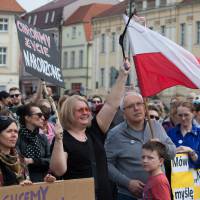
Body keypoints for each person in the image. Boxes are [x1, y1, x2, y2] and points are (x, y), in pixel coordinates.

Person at [50, 60, 130, 200]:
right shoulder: (63, 139)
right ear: (69, 113)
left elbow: (111, 104)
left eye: (87, 109)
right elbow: (58, 170)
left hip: (105, 195)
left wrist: (122, 75)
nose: (86, 113)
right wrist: (57, 139)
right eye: (80, 110)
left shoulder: (94, 130)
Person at [104, 91, 176, 200]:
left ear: (144, 106)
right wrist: (127, 183)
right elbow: (106, 164)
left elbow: (172, 153)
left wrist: (162, 146)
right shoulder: (115, 135)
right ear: (123, 113)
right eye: (131, 106)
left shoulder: (156, 126)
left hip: (157, 192)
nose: (136, 108)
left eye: (139, 104)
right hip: (128, 195)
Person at [16, 103, 51, 182]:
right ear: (27, 117)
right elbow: (18, 160)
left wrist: (33, 161)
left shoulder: (42, 138)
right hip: (24, 183)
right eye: (39, 115)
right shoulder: (16, 137)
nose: (43, 118)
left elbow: (50, 160)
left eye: (42, 115)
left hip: (43, 182)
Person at [0, 115, 32, 186]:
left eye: (16, 131)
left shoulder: (19, 158)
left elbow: (27, 184)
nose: (14, 135)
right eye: (9, 131)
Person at [167, 101, 200, 168]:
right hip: (175, 177)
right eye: (180, 115)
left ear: (193, 114)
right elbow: (165, 158)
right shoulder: (170, 133)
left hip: (194, 176)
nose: (183, 118)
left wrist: (191, 152)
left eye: (186, 115)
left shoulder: (199, 133)